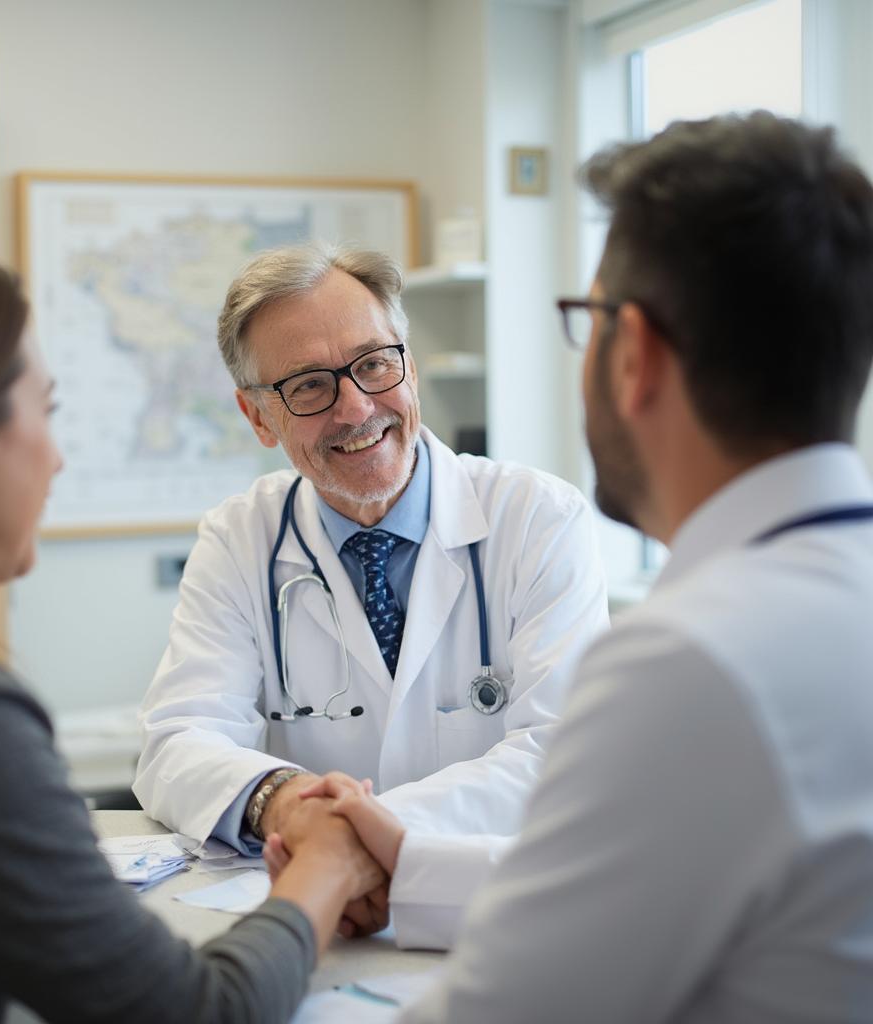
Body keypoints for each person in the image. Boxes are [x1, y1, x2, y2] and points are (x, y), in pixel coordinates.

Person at [269, 112, 873, 1021]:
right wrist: (417, 865)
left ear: (633, 355)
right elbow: (666, 877)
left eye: (586, 321)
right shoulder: (823, 603)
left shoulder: (694, 662)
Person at [0, 240, 381, 1024]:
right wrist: (328, 864)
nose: (58, 459)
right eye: (48, 410)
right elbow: (200, 1013)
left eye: (374, 364)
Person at [133, 243, 609, 878]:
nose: (356, 408)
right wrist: (286, 806)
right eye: (307, 385)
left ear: (409, 366)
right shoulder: (239, 539)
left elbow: (566, 751)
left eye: (375, 364)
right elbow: (179, 740)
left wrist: (356, 838)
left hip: (496, 906)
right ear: (258, 416)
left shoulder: (540, 518)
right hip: (322, 911)